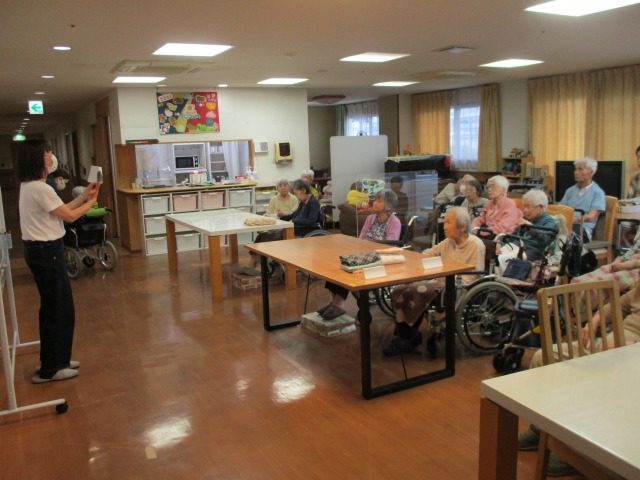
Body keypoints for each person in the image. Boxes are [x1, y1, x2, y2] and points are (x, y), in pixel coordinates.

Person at [517, 282, 640, 477]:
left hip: (631, 356)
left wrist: (629, 345)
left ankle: (575, 450)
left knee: (591, 380)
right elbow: (616, 305)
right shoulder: (638, 290)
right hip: (608, 346)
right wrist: (595, 320)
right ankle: (541, 429)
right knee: (542, 357)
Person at [18, 139, 99, 384]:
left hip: (41, 251)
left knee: (54, 307)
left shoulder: (30, 186)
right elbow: (70, 216)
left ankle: (55, 359)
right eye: (48, 152)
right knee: (59, 308)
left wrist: (84, 196)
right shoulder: (40, 188)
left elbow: (61, 210)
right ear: (38, 158)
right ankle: (52, 368)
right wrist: (91, 202)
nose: (52, 156)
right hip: (47, 252)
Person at [383, 208, 486, 356]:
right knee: (401, 289)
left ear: (462, 226)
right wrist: (415, 258)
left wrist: (446, 276)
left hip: (458, 287)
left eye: (449, 222)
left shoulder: (476, 245)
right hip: (439, 280)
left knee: (415, 292)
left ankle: (407, 338)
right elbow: (429, 253)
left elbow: (475, 275)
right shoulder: (449, 241)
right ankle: (407, 334)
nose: (444, 226)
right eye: (445, 222)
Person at [318, 190, 401, 320]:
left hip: (379, 257)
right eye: (375, 200)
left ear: (388, 206)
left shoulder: (394, 222)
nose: (374, 203)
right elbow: (361, 238)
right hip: (364, 254)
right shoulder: (370, 218)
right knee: (340, 262)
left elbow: (391, 245)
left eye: (379, 201)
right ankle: (332, 301)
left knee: (349, 267)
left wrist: (371, 249)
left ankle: (339, 304)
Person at [497, 189, 557, 275]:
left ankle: (503, 282)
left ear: (540, 207)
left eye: (528, 207)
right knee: (494, 255)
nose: (525, 210)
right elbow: (513, 237)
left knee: (500, 259)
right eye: (525, 206)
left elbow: (545, 240)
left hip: (534, 252)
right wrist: (501, 243)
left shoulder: (549, 221)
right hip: (517, 247)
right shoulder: (526, 219)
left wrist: (529, 226)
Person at [559, 157, 605, 243]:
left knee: (566, 237)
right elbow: (560, 210)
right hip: (566, 226)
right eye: (575, 169)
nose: (576, 172)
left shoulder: (598, 193)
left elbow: (591, 217)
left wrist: (571, 221)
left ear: (591, 172)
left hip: (582, 230)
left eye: (580, 169)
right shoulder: (570, 191)